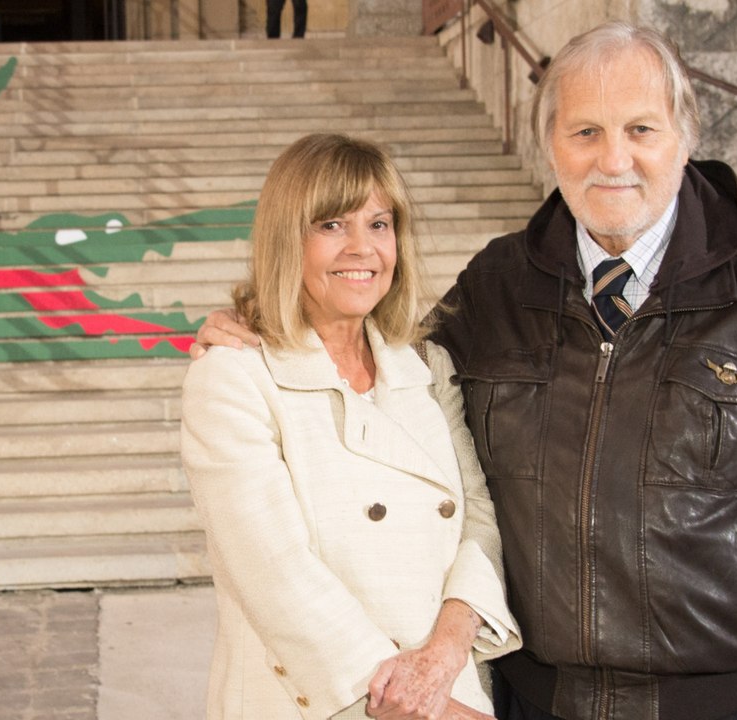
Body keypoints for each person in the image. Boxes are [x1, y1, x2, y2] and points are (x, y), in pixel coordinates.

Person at [193, 22, 737, 720]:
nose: (613, 160)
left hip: (720, 704)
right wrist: (259, 323)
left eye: (640, 129)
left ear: (686, 137)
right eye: (585, 132)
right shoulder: (500, 285)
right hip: (534, 702)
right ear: (549, 145)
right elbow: (381, 359)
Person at [181, 133, 521, 720]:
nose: (362, 248)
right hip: (321, 702)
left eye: (379, 224)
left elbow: (480, 520)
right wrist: (426, 708)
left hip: (451, 688)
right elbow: (276, 578)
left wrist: (443, 657)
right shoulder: (234, 379)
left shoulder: (425, 366)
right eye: (332, 225)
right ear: (289, 240)